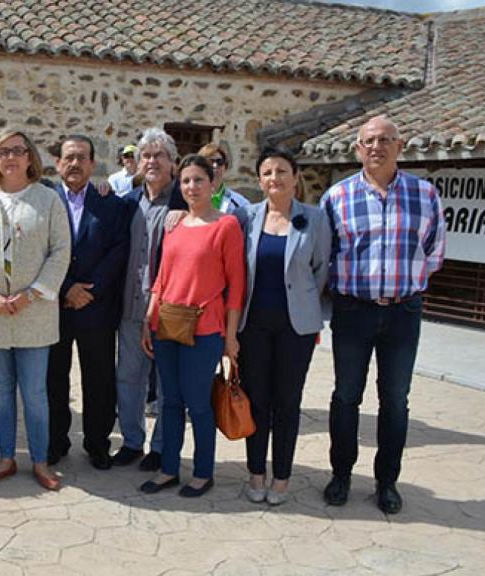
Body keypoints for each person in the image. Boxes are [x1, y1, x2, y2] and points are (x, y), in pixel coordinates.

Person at [320, 116, 445, 515]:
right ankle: (341, 474)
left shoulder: (425, 195)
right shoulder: (336, 197)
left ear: (399, 145)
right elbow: (326, 255)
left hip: (402, 313)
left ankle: (386, 481)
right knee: (345, 396)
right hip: (353, 311)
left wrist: (404, 284)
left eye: (385, 140)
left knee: (395, 400)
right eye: (369, 140)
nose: (377, 146)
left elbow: (435, 250)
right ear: (357, 148)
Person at [0, 130, 71, 490]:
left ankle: (40, 461)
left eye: (18, 151)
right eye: (3, 151)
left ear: (30, 158)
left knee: (35, 392)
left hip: (34, 311)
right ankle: (6, 457)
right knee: (0, 387)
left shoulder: (48, 199)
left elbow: (60, 252)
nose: (11, 157)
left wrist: (32, 294)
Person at [140, 154, 244, 498]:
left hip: (205, 330)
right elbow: (160, 278)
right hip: (167, 325)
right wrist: (148, 320)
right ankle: (169, 468)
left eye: (199, 179)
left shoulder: (226, 226)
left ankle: (202, 472)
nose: (192, 186)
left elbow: (236, 287)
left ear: (212, 183)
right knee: (169, 402)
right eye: (185, 181)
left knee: (198, 404)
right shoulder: (175, 225)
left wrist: (230, 337)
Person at [238, 147, 331, 505]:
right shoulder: (247, 217)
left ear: (295, 177)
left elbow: (321, 269)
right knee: (257, 401)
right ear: (259, 180)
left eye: (281, 171)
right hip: (254, 325)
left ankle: (282, 477)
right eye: (267, 172)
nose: (274, 178)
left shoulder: (315, 219)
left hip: (296, 328)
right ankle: (256, 473)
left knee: (287, 403)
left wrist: (306, 307)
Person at [46, 135, 130, 470]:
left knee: (99, 380)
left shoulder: (111, 203)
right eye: (69, 158)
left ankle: (97, 444)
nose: (75, 164)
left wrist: (89, 290)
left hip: (96, 307)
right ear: (58, 163)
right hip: (55, 306)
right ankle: (55, 441)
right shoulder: (45, 200)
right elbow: (38, 251)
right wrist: (67, 287)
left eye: (82, 158)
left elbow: (119, 248)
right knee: (54, 379)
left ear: (93, 164)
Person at [111, 128, 178, 471]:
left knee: (166, 384)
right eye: (146, 156)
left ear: (173, 162)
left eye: (159, 155)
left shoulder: (184, 202)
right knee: (129, 377)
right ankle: (132, 441)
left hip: (170, 312)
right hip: (130, 306)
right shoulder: (126, 204)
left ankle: (162, 447)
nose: (152, 161)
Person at [197, 143, 250, 216]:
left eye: (219, 162)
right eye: (210, 162)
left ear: (224, 167)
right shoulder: (190, 198)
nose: (215, 166)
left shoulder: (241, 204)